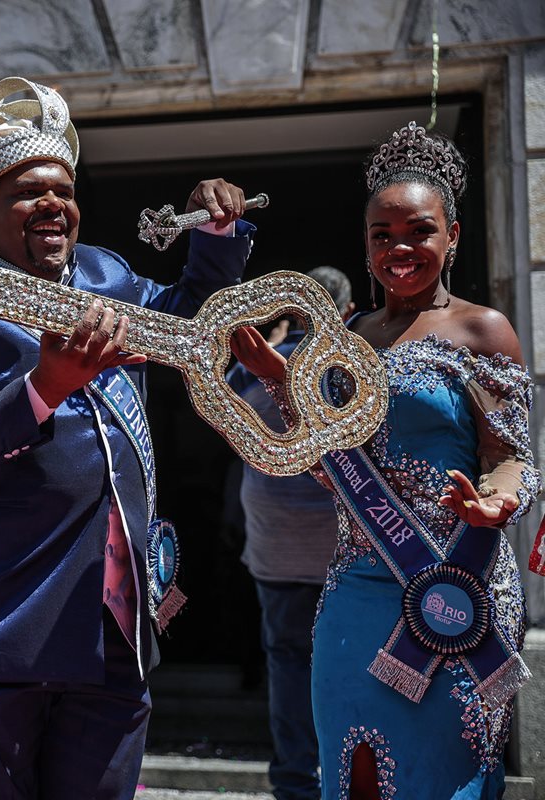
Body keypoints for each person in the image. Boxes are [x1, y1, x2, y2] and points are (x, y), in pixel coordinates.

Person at [0, 76, 255, 799]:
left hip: (110, 627)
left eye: (64, 189)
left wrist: (214, 240)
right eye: (29, 192)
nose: (55, 204)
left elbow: (188, 328)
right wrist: (42, 389)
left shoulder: (105, 275)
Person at [232, 122, 542, 798]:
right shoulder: (346, 338)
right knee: (356, 773)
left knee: (441, 775)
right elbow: (326, 459)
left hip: (461, 581)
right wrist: (280, 380)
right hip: (357, 585)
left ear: (452, 235)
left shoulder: (481, 330)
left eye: (420, 232)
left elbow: (511, 455)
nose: (400, 249)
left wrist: (499, 501)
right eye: (382, 235)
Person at [227, 266, 354, 800]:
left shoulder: (254, 367)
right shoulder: (345, 364)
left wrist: (273, 340)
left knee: (287, 661)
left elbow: (223, 401)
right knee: (348, 658)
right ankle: (347, 776)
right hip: (338, 540)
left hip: (274, 537)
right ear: (344, 311)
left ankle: (295, 782)